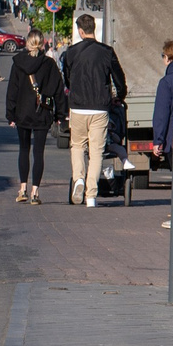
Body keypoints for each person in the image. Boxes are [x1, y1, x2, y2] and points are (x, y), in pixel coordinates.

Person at [60, 14, 127, 209]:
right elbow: (119, 78)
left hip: (78, 107)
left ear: (80, 31)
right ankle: (91, 196)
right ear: (93, 29)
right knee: (97, 152)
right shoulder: (107, 52)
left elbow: (67, 79)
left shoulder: (71, 52)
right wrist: (119, 97)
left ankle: (78, 179)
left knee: (78, 146)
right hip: (100, 107)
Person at [6, 32, 65, 204]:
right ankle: (35, 193)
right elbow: (58, 90)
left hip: (22, 112)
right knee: (39, 153)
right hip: (42, 113)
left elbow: (12, 91)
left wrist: (10, 114)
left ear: (27, 43)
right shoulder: (49, 64)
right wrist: (60, 114)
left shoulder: (18, 63)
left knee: (24, 150)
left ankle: (22, 189)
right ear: (42, 44)